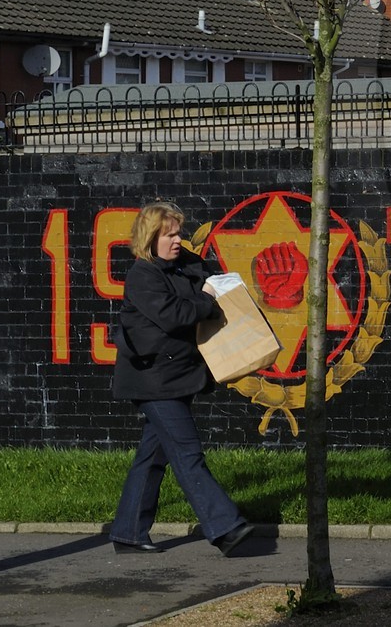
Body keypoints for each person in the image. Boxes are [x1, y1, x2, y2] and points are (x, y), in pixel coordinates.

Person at [110, 201, 254, 556]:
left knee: (152, 454)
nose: (177, 240)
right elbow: (174, 315)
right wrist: (206, 302)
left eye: (178, 233)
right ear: (150, 237)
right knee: (188, 453)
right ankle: (225, 527)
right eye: (169, 234)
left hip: (179, 374)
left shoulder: (187, 263)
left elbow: (216, 282)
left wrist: (221, 288)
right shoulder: (142, 275)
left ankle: (128, 532)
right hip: (153, 379)